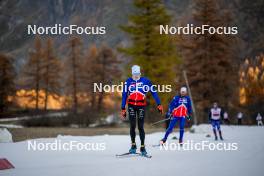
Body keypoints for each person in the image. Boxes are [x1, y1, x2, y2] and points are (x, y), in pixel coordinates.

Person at [120, 65, 163, 156]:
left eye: (138, 74)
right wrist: (123, 108)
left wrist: (159, 104)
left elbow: (154, 92)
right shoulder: (128, 82)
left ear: (140, 73)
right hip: (131, 105)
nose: (136, 76)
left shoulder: (146, 81)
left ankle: (143, 147)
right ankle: (133, 145)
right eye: (134, 74)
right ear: (132, 74)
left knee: (140, 127)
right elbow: (124, 95)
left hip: (141, 106)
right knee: (132, 126)